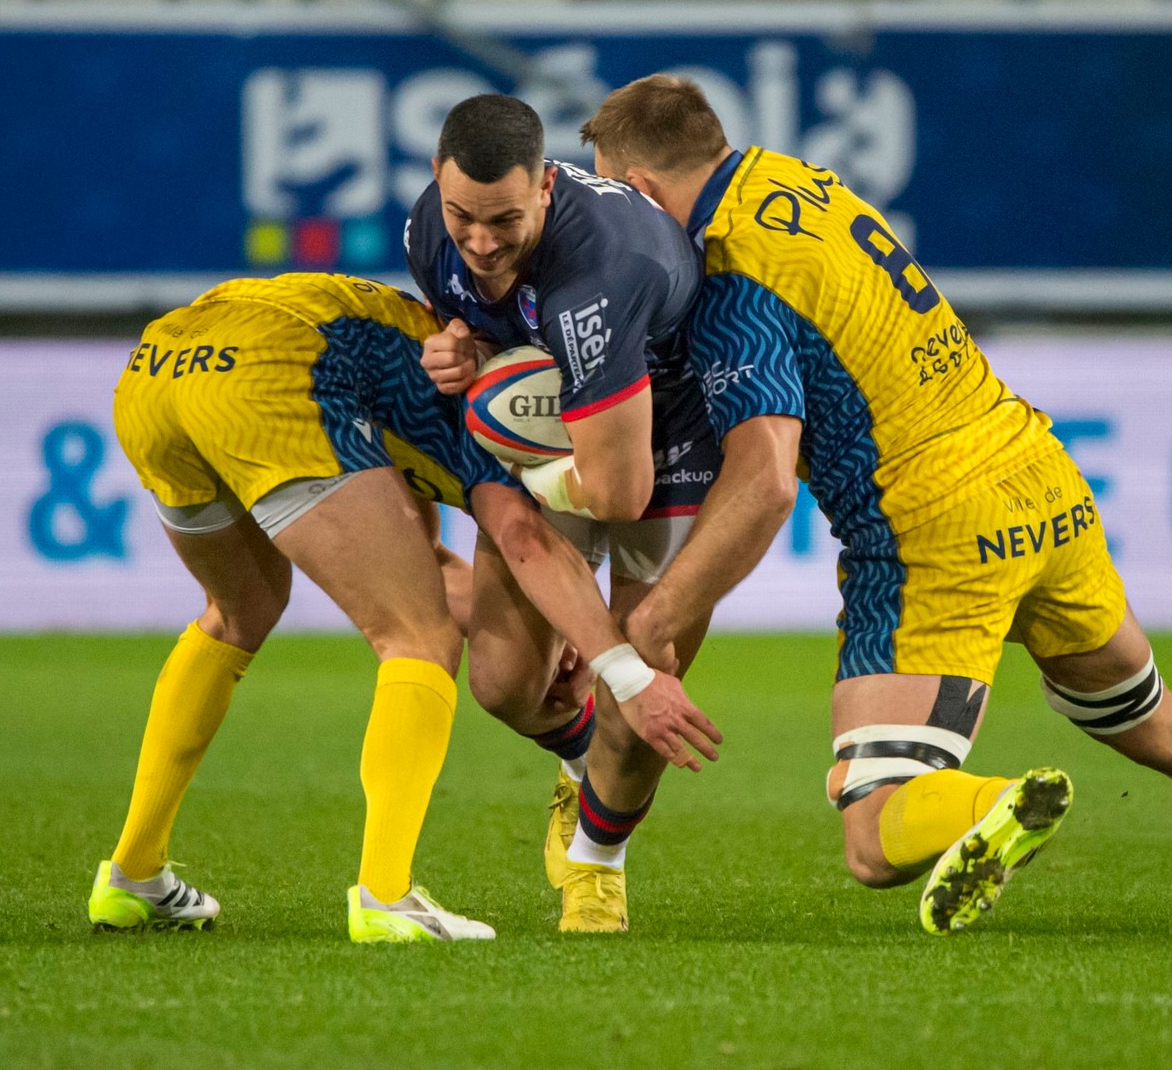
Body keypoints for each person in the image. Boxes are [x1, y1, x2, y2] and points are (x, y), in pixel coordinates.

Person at [588, 73, 1172, 936]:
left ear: (641, 191)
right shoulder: (793, 176)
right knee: (1157, 721)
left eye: (611, 199)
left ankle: (1002, 802)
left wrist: (669, 605)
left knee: (873, 829)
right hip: (1037, 475)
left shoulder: (735, 271)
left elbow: (766, 478)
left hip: (933, 522)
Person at [92, 273, 718, 943]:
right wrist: (612, 660)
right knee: (419, 639)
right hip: (274, 365)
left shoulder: (396, 393)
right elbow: (520, 539)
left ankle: (133, 874)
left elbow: (421, 564)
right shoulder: (515, 422)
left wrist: (558, 625)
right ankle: (385, 895)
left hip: (159, 366)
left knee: (239, 609)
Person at [405, 94, 724, 934]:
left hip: (666, 427)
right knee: (505, 682)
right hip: (561, 406)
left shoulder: (599, 274)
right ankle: (584, 756)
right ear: (437, 184)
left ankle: (597, 867)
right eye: (462, 215)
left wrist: (603, 639)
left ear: (547, 186)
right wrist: (459, 345)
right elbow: (470, 311)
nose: (479, 241)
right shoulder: (427, 232)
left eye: (504, 219)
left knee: (645, 659)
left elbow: (617, 492)